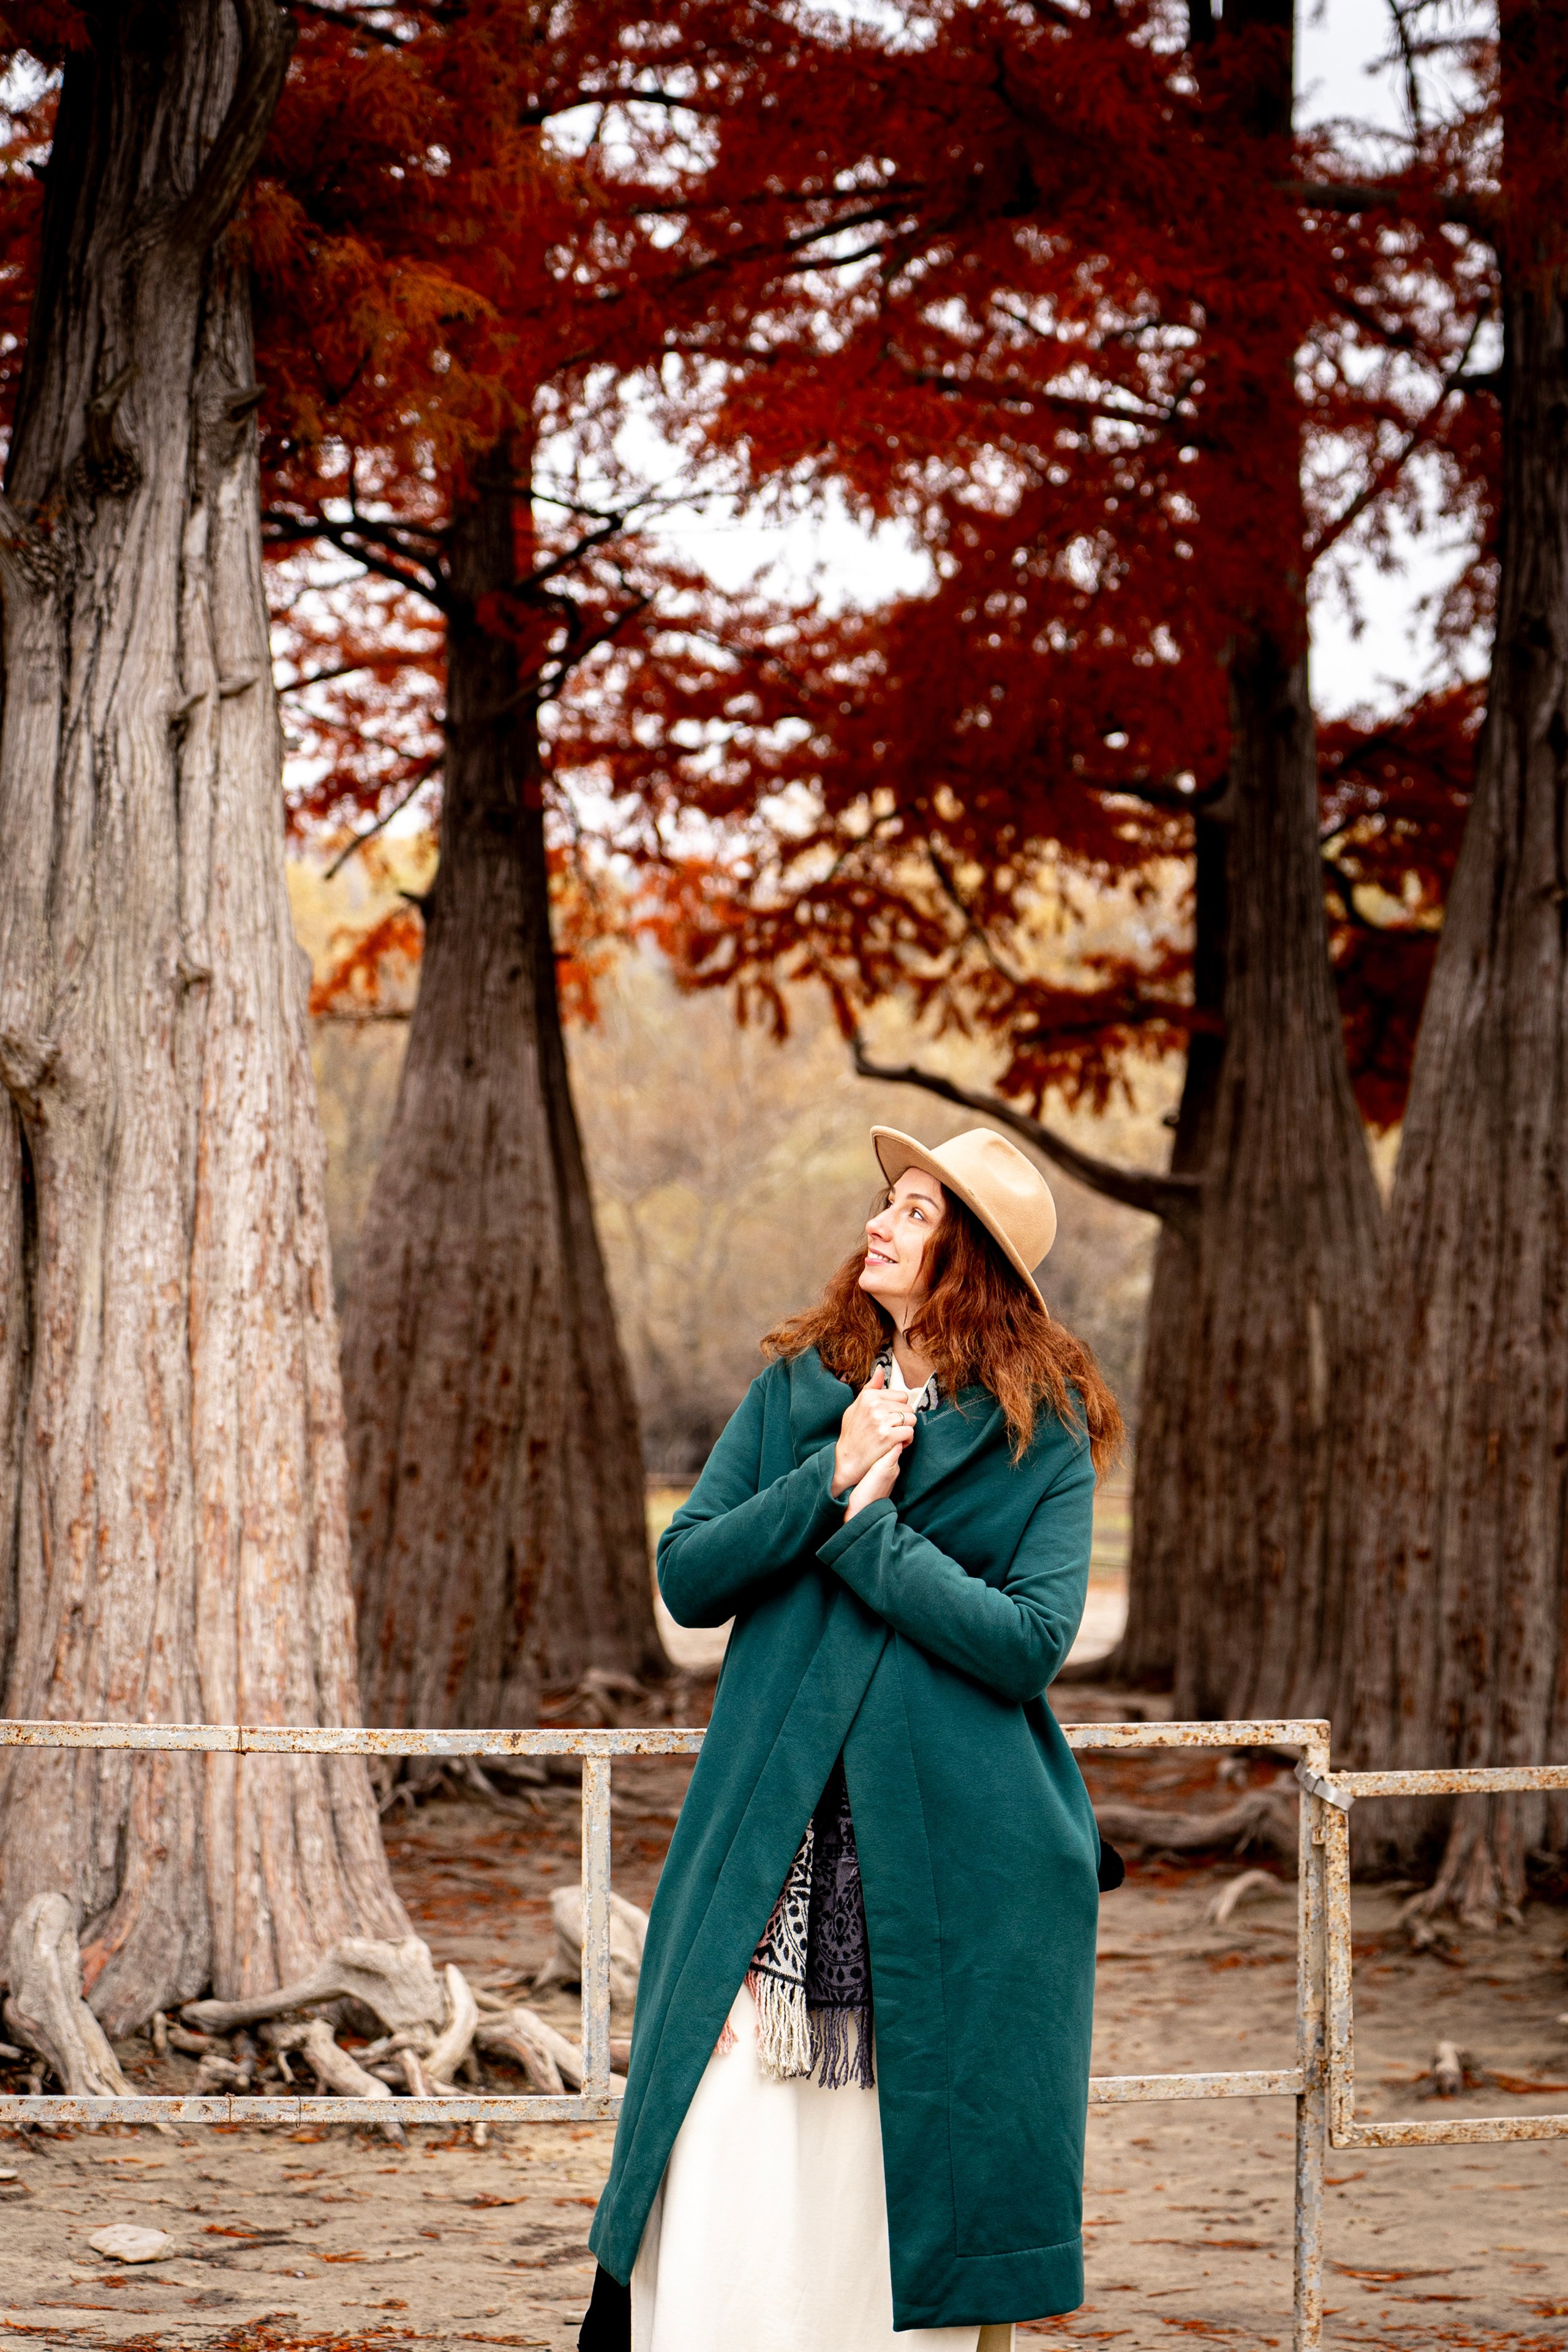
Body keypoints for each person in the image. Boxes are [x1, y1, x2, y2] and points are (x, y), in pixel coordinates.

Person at [579, 1123, 1123, 2352]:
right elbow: (686, 1576)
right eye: (888, 1200)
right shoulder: (796, 1385)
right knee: (717, 2126)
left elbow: (1030, 1641)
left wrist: (873, 1542)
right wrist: (827, 1480)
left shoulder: (1044, 1433)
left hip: (954, 1852)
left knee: (906, 2155)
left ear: (969, 1258)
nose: (879, 1222)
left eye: (919, 1211)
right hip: (767, 1825)